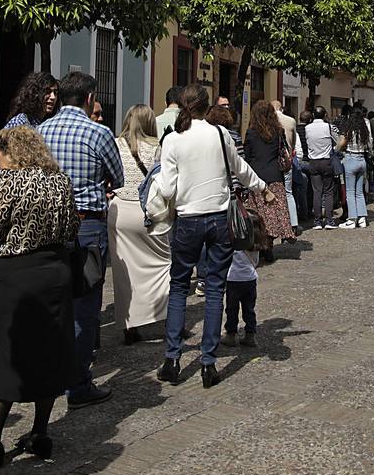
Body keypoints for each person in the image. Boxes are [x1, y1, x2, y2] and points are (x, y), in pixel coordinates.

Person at [0, 126, 77, 468]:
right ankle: (40, 433)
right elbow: (72, 227)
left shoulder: (11, 182)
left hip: (17, 275)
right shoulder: (60, 181)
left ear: (13, 152)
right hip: (55, 272)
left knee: (4, 354)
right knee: (49, 352)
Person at [153, 84, 270, 388]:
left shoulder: (173, 139)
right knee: (215, 289)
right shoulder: (219, 134)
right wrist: (262, 188)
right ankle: (208, 364)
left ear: (181, 107)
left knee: (179, 287)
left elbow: (166, 188)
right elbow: (241, 169)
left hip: (188, 220)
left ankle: (173, 359)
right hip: (219, 220)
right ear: (206, 107)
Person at [37, 71, 123, 407]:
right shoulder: (98, 132)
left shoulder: (40, 131)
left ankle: (51, 373)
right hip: (87, 225)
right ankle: (78, 383)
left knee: (52, 301)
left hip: (47, 225)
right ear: (89, 99)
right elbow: (116, 177)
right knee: (85, 305)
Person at [110, 104, 170, 344]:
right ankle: (168, 317)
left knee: (124, 273)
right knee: (163, 265)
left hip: (119, 211)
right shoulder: (157, 148)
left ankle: (130, 326)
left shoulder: (115, 144)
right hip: (147, 212)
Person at [242, 100, 294, 243]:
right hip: (275, 174)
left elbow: (247, 155)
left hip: (257, 176)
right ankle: (280, 233)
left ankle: (265, 242)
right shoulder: (278, 131)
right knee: (277, 209)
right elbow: (284, 150)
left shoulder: (251, 132)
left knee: (260, 213)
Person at [221, 210, 268, 348]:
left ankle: (230, 334)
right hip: (250, 279)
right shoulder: (256, 244)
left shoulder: (235, 243)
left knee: (231, 309)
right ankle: (250, 334)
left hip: (233, 279)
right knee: (249, 309)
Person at [300, 105, 339, 228]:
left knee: (317, 192)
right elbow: (338, 141)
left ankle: (317, 221)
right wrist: (333, 149)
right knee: (328, 192)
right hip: (326, 161)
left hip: (313, 161)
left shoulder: (307, 128)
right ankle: (329, 221)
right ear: (325, 115)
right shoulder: (329, 127)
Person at [336, 106, 372, 228]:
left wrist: (338, 149)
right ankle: (362, 218)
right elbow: (369, 145)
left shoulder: (349, 129)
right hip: (362, 160)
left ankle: (352, 219)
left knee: (350, 192)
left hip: (351, 159)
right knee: (359, 192)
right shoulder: (364, 130)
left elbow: (341, 143)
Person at [272, 100, 299, 231]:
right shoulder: (291, 121)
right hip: (286, 159)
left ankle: (277, 222)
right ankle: (293, 223)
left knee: (273, 192)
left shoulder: (267, 121)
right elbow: (293, 141)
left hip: (272, 161)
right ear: (281, 108)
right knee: (288, 192)